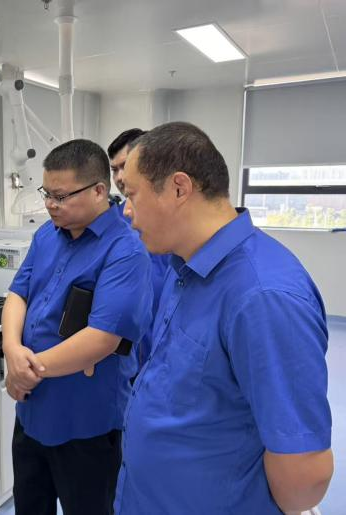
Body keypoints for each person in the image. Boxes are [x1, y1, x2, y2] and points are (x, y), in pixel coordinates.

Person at [115, 121, 333, 514]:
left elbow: (305, 475)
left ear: (179, 188)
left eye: (131, 194)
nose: (126, 211)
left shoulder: (262, 297)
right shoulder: (186, 268)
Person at [2, 139, 153, 515]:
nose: (50, 205)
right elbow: (17, 294)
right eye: (46, 194)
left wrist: (26, 370)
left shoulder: (125, 250)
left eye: (61, 196)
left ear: (99, 190)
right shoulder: (45, 236)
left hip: (85, 423)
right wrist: (11, 350)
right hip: (32, 412)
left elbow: (102, 339)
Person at [108, 128, 169, 363]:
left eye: (125, 166)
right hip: (127, 349)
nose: (120, 177)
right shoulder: (115, 220)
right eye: (114, 170)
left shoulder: (173, 224)